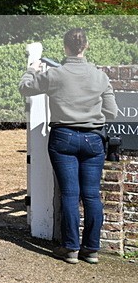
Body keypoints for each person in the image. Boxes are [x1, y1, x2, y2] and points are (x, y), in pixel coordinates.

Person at [19, 28, 117, 264]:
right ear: (86, 46)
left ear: (65, 47)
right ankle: (91, 249)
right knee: (92, 195)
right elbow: (112, 112)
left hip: (64, 137)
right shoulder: (100, 76)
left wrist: (30, 70)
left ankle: (70, 247)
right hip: (93, 139)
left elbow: (25, 88)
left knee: (70, 194)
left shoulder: (56, 75)